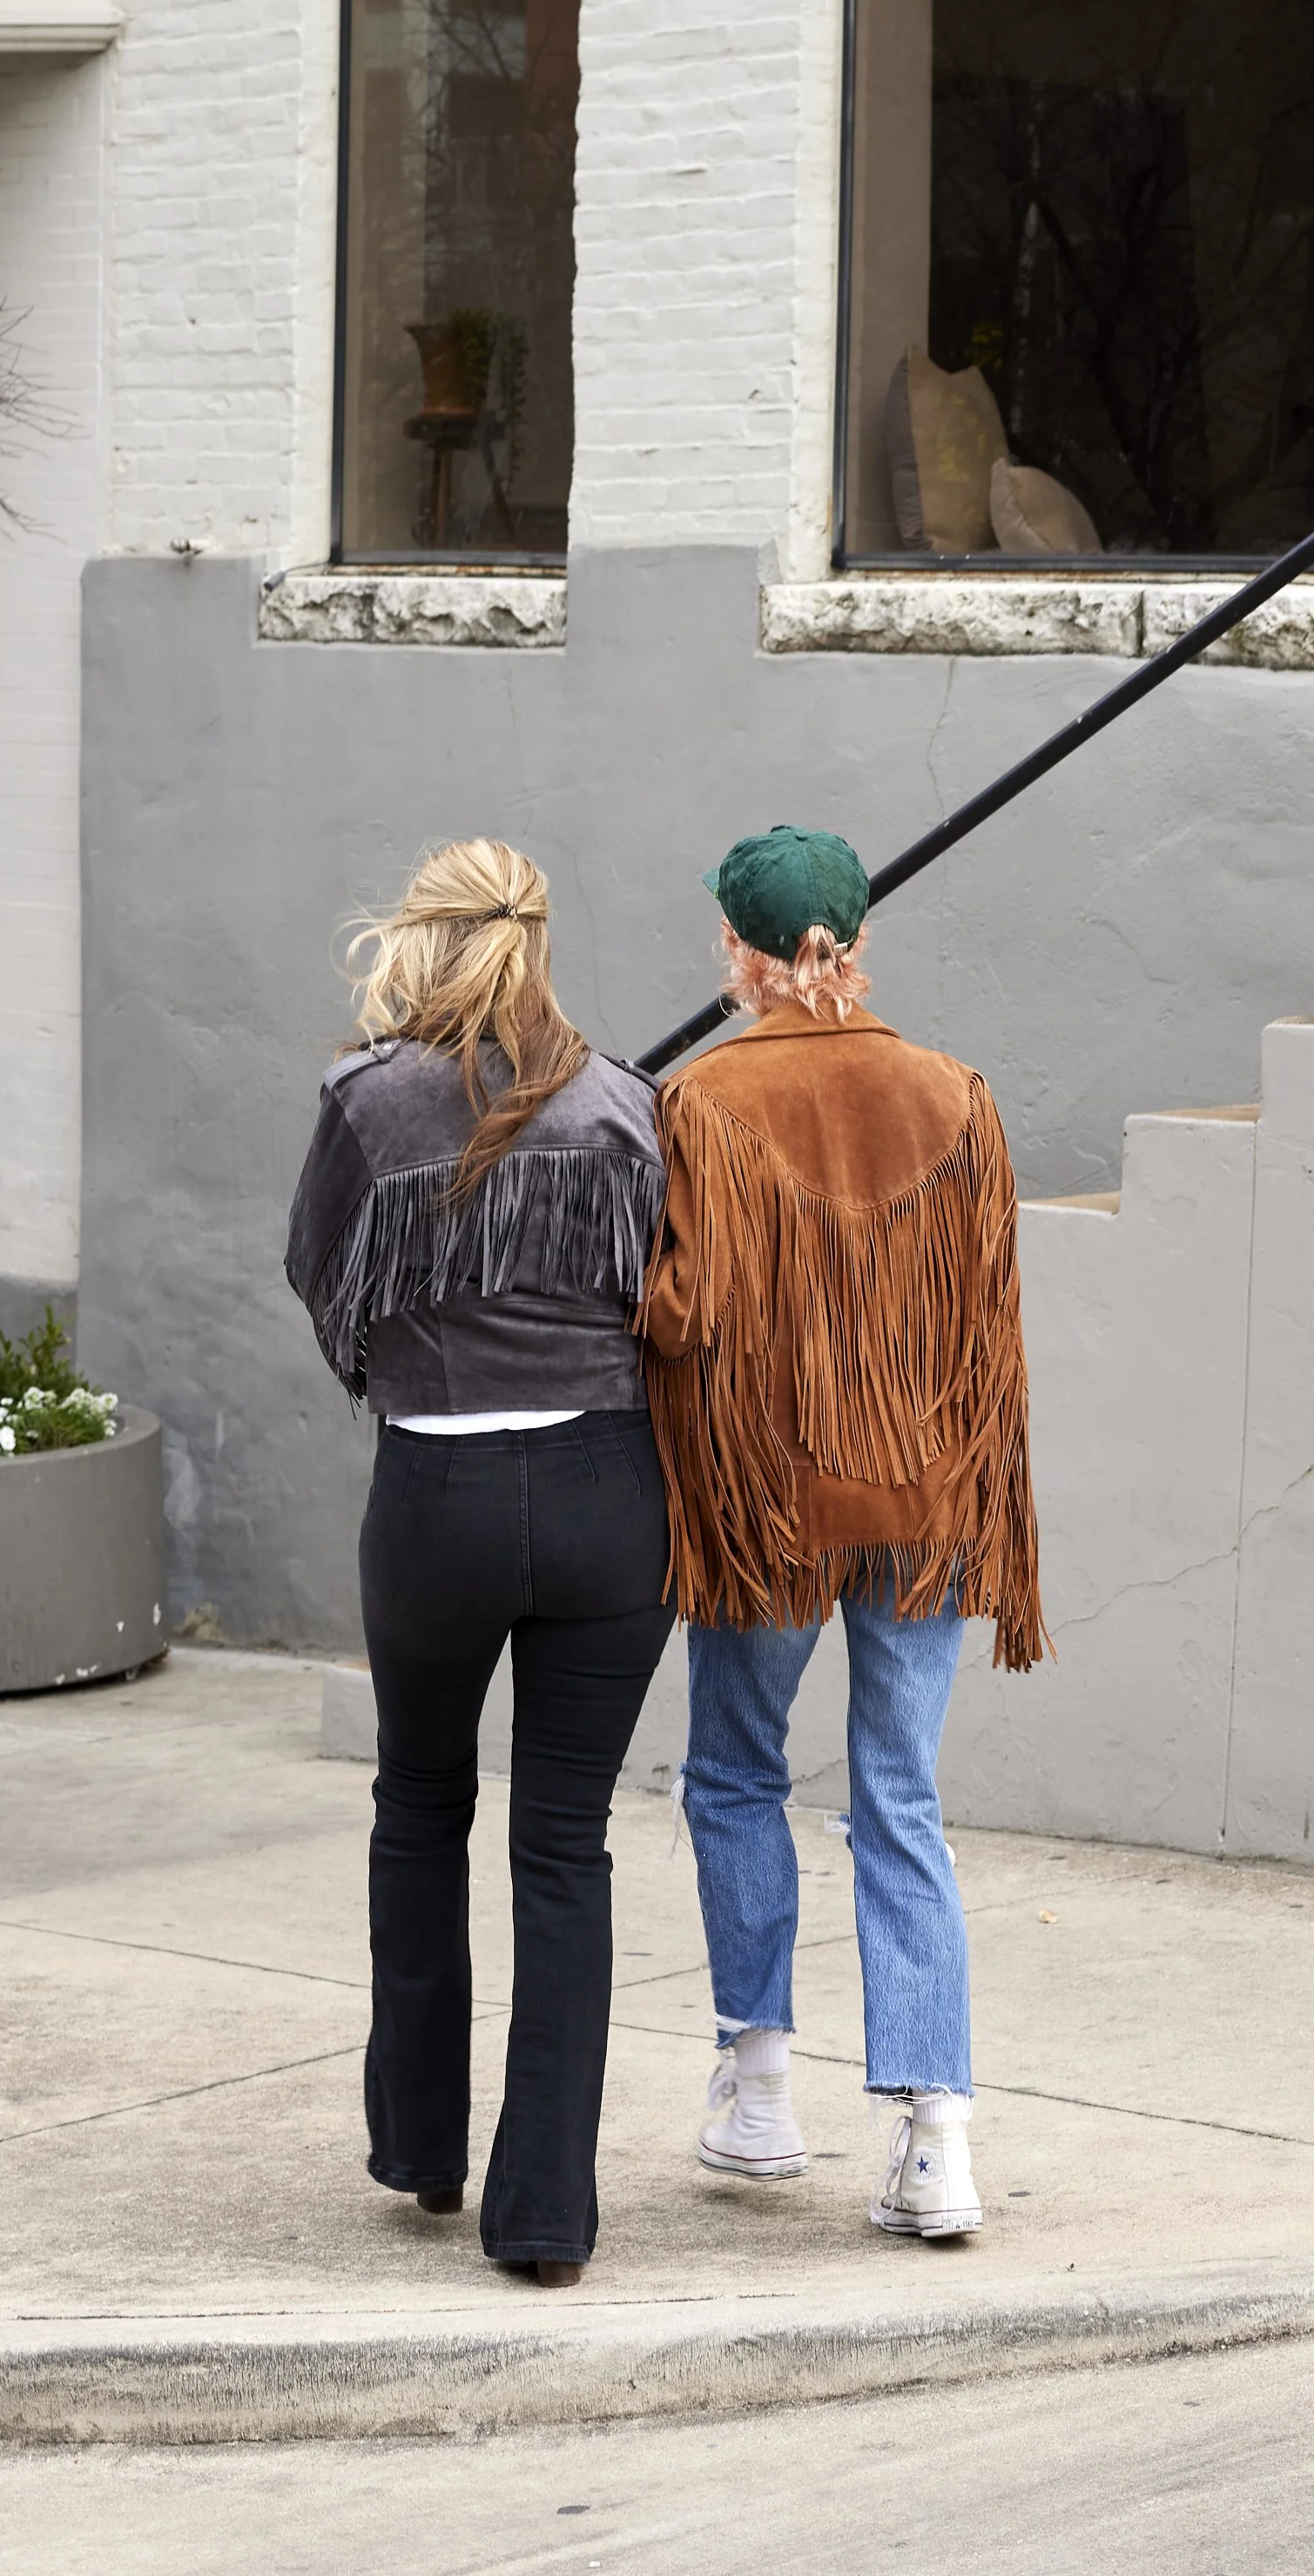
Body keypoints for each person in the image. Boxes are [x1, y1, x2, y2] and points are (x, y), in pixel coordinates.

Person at [639, 825, 1045, 2242]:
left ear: (740, 960)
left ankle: (759, 2094)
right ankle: (940, 2140)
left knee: (738, 1773)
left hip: (771, 1509)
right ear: (859, 947)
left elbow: (686, 1319)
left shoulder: (699, 1105)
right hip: (925, 1502)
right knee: (901, 1797)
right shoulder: (958, 1095)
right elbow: (988, 1324)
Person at [285, 839, 670, 2288]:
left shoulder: (366, 1102)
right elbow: (662, 1290)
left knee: (418, 1805)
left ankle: (424, 2152)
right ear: (537, 941)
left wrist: (412, 1352)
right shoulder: (626, 1101)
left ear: (422, 941)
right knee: (565, 1843)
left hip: (438, 1485)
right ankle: (546, 2219)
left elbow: (324, 1281)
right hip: (606, 1496)